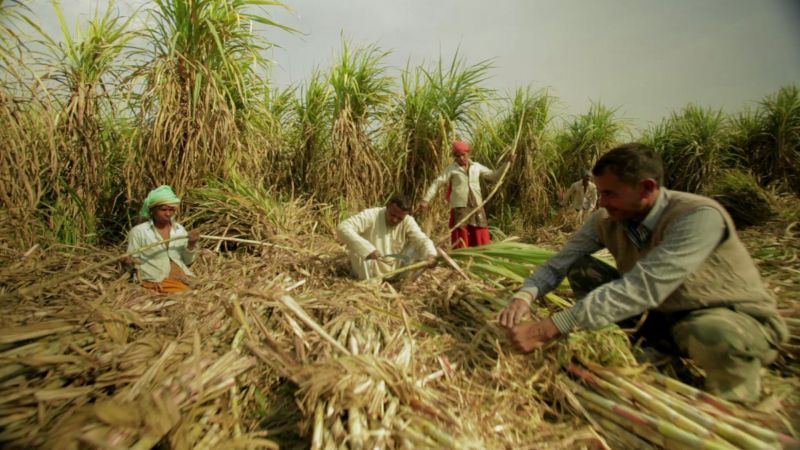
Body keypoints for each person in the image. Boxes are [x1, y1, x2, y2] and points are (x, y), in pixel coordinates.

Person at [498, 143, 787, 403]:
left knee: (711, 332)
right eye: (600, 193)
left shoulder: (697, 216)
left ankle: (736, 400)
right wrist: (525, 295)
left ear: (647, 188)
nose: (602, 202)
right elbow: (559, 262)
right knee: (582, 268)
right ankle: (654, 349)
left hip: (729, 320)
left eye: (610, 193)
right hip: (661, 317)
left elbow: (644, 286)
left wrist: (549, 327)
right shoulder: (607, 219)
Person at [419, 140, 511, 248]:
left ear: (468, 153)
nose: (461, 158)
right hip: (460, 207)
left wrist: (507, 163)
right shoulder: (452, 169)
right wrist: (426, 199)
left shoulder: (476, 166)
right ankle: (462, 259)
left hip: (476, 206)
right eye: (458, 156)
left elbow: (493, 175)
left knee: (480, 231)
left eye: (463, 155)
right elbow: (437, 182)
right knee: (461, 234)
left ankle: (482, 256)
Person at [337, 194, 437, 281]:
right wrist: (368, 249)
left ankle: (404, 282)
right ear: (387, 206)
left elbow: (422, 240)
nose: (394, 219)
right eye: (392, 214)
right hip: (371, 268)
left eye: (399, 218)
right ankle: (370, 285)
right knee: (357, 250)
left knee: (418, 248)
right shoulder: (371, 215)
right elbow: (343, 228)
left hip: (395, 269)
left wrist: (431, 255)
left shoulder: (407, 221)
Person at [125, 185, 199, 293]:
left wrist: (191, 244)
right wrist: (128, 262)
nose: (168, 213)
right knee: (187, 294)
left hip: (182, 276)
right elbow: (133, 262)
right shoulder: (139, 232)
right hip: (156, 280)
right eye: (163, 209)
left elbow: (187, 261)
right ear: (153, 210)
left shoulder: (179, 230)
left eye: (171, 210)